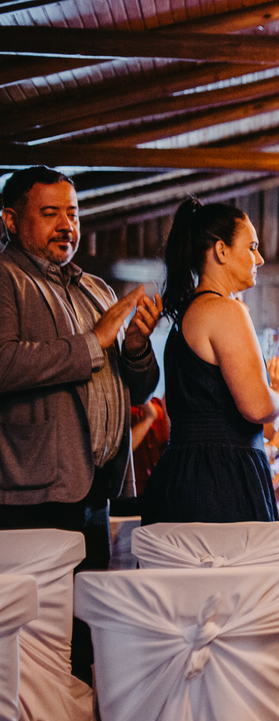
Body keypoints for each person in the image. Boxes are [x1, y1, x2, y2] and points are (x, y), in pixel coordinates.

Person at [0, 166, 162, 681]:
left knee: (86, 634)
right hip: (31, 492)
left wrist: (135, 349)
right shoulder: (6, 279)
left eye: (72, 213)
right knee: (39, 642)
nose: (66, 225)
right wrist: (95, 341)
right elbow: (4, 363)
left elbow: (138, 389)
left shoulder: (94, 287)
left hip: (95, 487)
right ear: (10, 220)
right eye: (50, 213)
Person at [142, 199, 279, 524]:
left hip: (181, 474)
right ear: (221, 251)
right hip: (220, 477)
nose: (259, 259)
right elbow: (257, 408)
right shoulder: (226, 310)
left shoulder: (189, 312)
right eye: (252, 247)